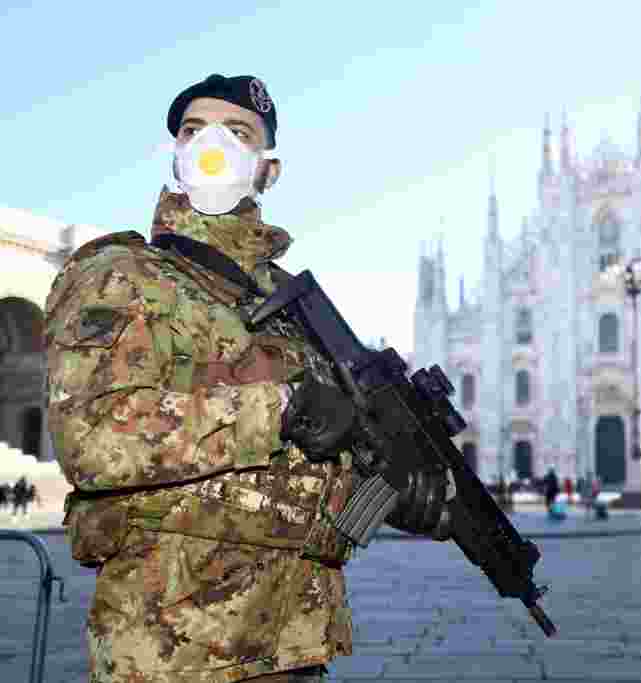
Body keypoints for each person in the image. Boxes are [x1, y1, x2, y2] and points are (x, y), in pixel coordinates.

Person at [46, 74, 458, 683]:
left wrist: (391, 500)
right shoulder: (123, 275)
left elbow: (312, 469)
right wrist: (282, 408)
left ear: (268, 170)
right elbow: (94, 441)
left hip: (293, 647)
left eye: (237, 133)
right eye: (194, 130)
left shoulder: (290, 303)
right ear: (175, 154)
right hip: (170, 650)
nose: (213, 146)